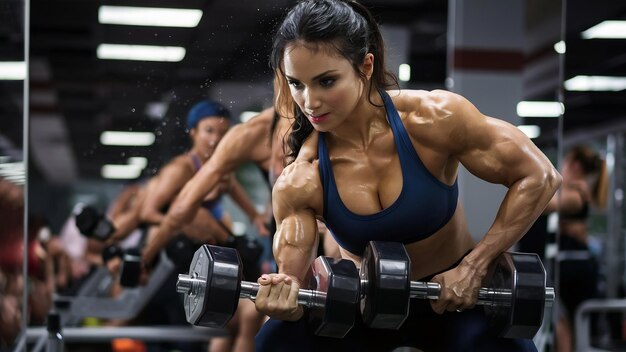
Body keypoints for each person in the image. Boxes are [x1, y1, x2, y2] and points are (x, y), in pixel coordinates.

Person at [253, 1, 562, 351]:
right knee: (274, 341)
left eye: (326, 81)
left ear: (365, 66)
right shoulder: (302, 178)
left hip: (453, 297)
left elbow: (540, 175)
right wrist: (283, 298)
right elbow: (294, 287)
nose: (310, 101)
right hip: (365, 304)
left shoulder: (433, 120)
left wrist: (475, 268)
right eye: (297, 84)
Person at [545, 145, 607, 352]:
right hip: (572, 265)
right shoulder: (577, 192)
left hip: (574, 268)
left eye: (565, 162)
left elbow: (546, 205)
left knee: (564, 325)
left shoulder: (576, 194)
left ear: (575, 165)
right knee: (565, 324)